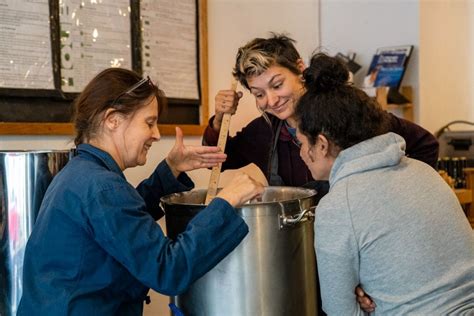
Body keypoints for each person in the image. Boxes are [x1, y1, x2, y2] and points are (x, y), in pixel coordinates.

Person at [17, 68, 264, 316]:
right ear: (112, 119)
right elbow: (168, 270)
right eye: (149, 123)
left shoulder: (80, 174)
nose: (156, 135)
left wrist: (171, 168)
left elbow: (124, 225)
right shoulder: (103, 187)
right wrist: (225, 202)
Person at [295, 52, 474, 315]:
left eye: (301, 142)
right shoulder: (423, 171)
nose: (301, 153)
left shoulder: (338, 206)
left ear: (321, 144)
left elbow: (339, 311)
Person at [203, 34, 439, 191]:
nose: (271, 100)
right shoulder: (264, 131)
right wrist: (219, 121)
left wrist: (397, 195)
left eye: (277, 85)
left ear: (299, 68)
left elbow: (425, 145)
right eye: (259, 94)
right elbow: (218, 161)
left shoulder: (345, 111)